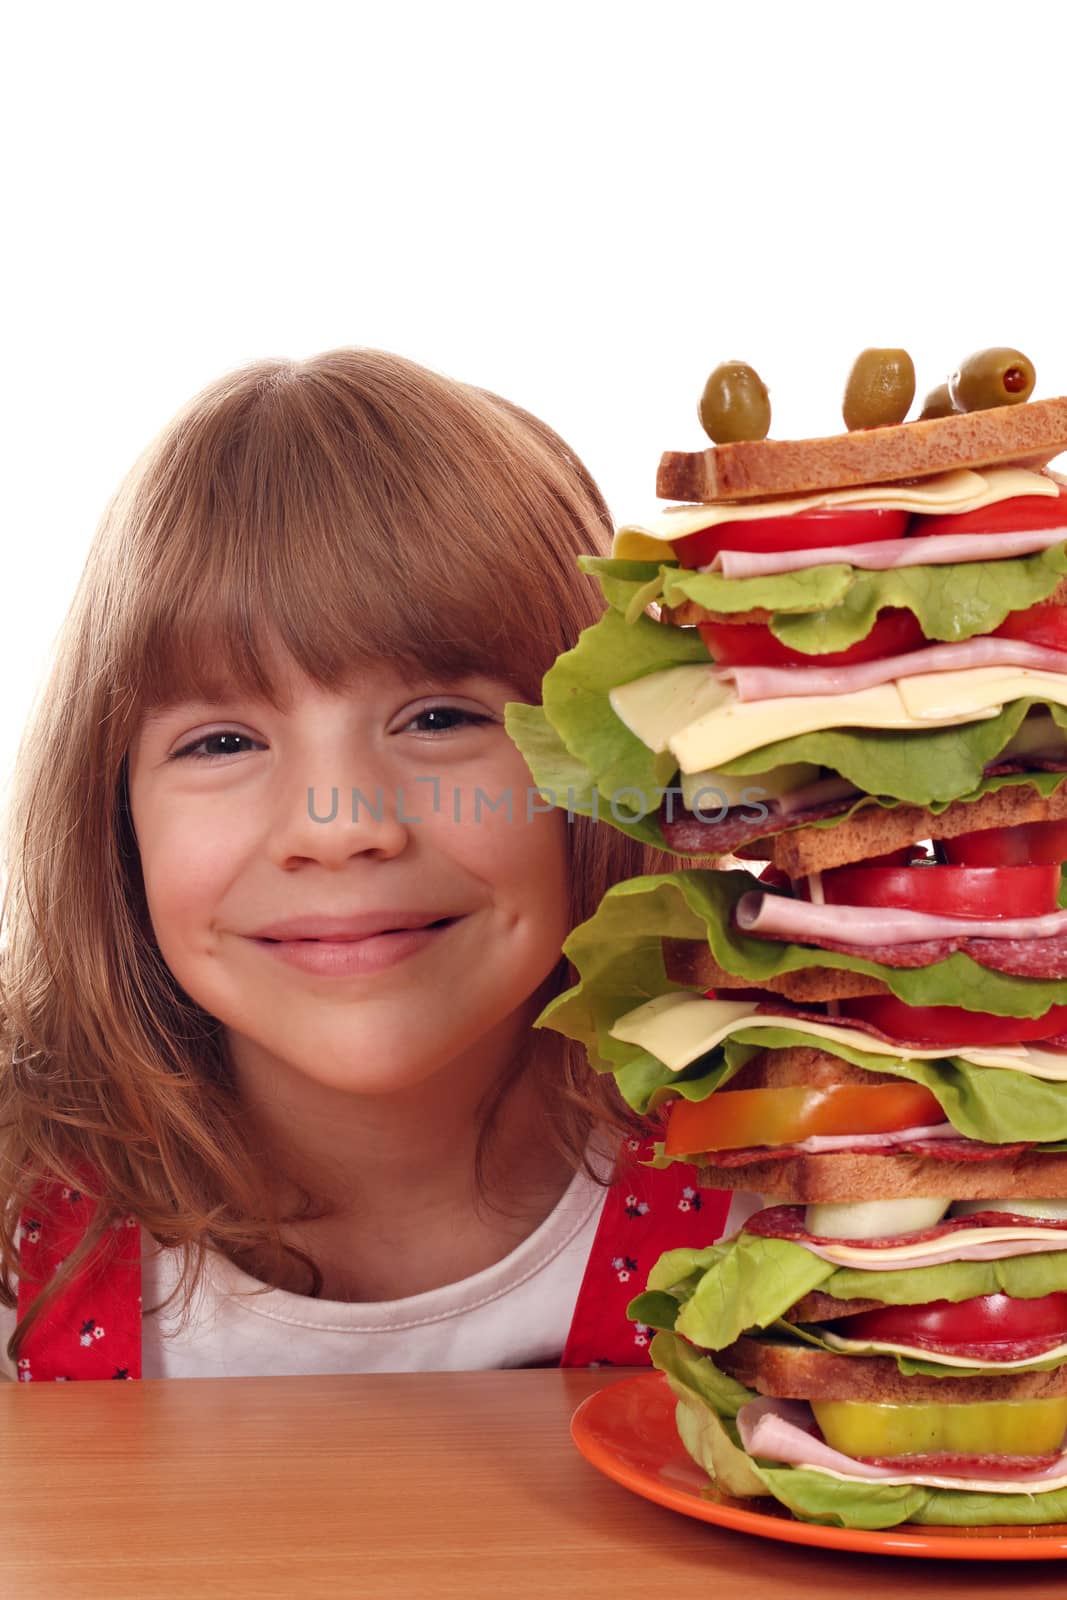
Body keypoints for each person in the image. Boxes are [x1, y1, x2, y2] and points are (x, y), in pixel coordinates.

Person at [0, 348, 753, 1382]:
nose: (341, 823)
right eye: (222, 742)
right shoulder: (16, 1214)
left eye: (439, 718)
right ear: (112, 810)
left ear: (601, 770)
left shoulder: (785, 1177)